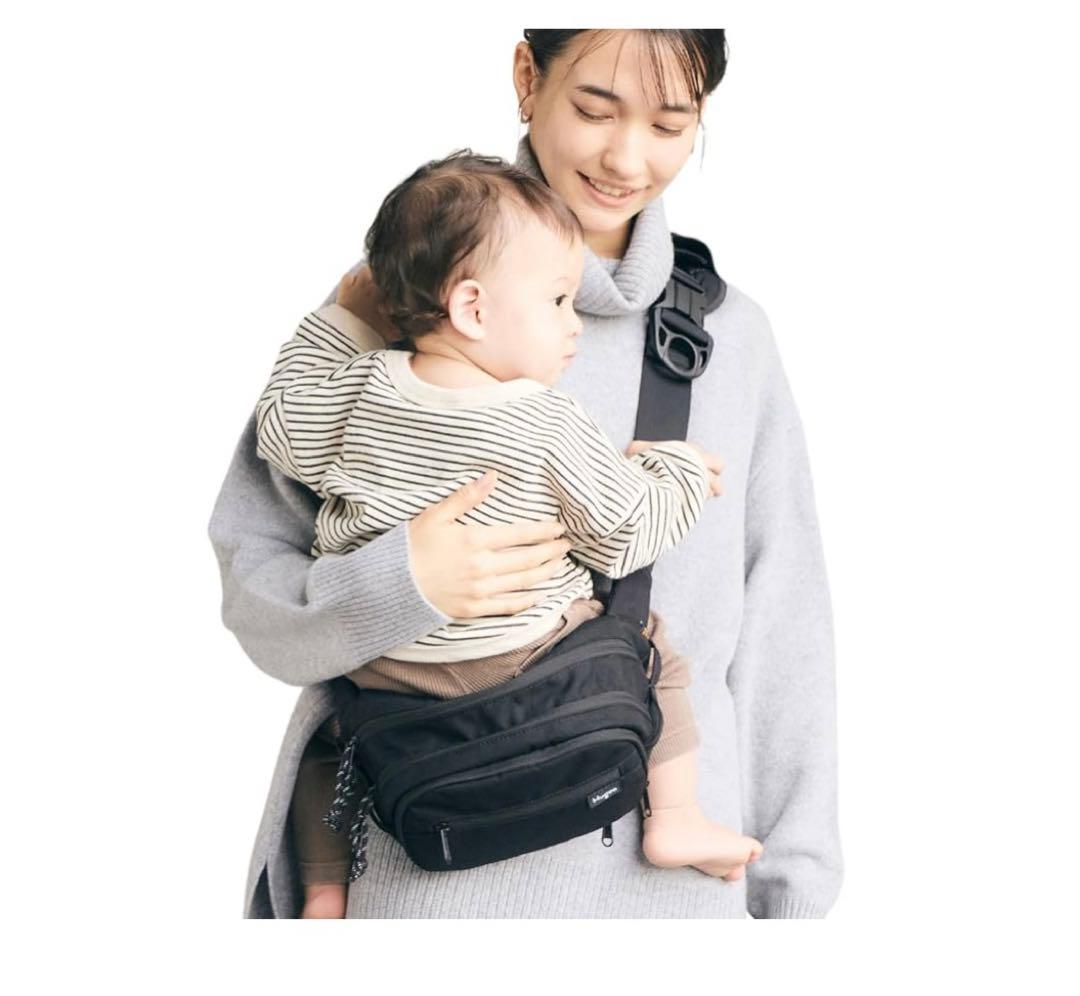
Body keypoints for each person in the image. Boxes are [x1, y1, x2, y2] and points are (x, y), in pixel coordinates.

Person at [209, 28, 843, 918]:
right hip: (412, 881)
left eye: (671, 124)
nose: (628, 157)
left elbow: (784, 630)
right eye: (595, 108)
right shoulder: (398, 300)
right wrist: (402, 583)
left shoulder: (733, 338)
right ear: (526, 77)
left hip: (675, 907)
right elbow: (255, 585)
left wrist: (797, 894)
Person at [256, 150, 765, 917]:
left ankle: (326, 891)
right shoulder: (544, 420)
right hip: (519, 655)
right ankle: (676, 818)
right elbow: (625, 535)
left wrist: (341, 320)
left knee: (336, 741)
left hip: (387, 668)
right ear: (473, 309)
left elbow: (282, 426)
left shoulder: (361, 386)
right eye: (558, 301)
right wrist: (680, 472)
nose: (573, 324)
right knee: (655, 651)